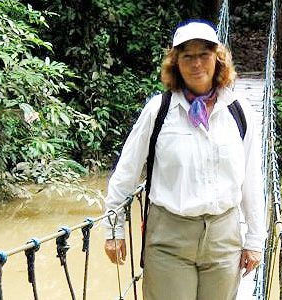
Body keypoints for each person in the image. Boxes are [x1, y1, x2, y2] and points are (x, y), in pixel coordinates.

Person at [103, 20, 266, 300]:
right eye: (187, 56)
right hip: (169, 238)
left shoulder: (238, 112)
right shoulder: (160, 111)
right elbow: (126, 171)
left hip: (223, 237)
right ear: (175, 62)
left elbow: (251, 179)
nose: (196, 63)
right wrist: (113, 229)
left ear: (218, 58)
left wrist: (255, 239)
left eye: (204, 54)